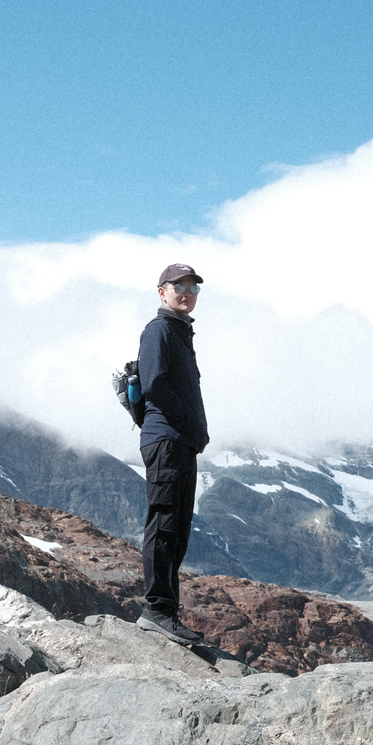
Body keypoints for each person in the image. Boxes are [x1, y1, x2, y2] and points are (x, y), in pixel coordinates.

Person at [136, 263, 209, 644]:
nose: (187, 292)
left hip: (180, 442)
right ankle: (156, 610)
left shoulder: (180, 333)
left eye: (193, 287)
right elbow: (154, 385)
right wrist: (191, 426)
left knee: (177, 531)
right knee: (164, 525)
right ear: (161, 291)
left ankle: (166, 613)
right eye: (178, 285)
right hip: (167, 440)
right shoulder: (159, 330)